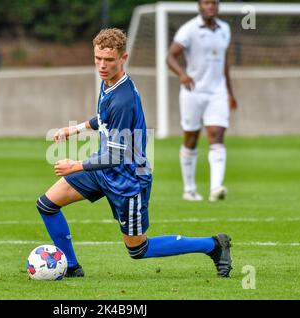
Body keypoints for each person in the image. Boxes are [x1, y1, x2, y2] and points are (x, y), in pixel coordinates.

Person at [35, 28, 232, 278]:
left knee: (138, 249)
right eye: (98, 59)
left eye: (109, 60)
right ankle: (71, 267)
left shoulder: (123, 99)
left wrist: (74, 165)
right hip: (103, 170)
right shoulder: (110, 84)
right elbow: (104, 119)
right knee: (47, 204)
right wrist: (75, 129)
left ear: (123, 58)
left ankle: (214, 245)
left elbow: (117, 156)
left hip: (127, 180)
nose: (102, 65)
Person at [166, 0, 238, 202]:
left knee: (216, 135)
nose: (210, 6)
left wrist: (230, 92)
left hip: (218, 93)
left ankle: (216, 188)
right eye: (206, 3)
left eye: (214, 3)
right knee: (191, 139)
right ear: (199, 6)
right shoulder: (188, 30)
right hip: (193, 92)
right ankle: (189, 189)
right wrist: (181, 74)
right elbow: (170, 56)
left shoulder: (225, 29)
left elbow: (224, 63)